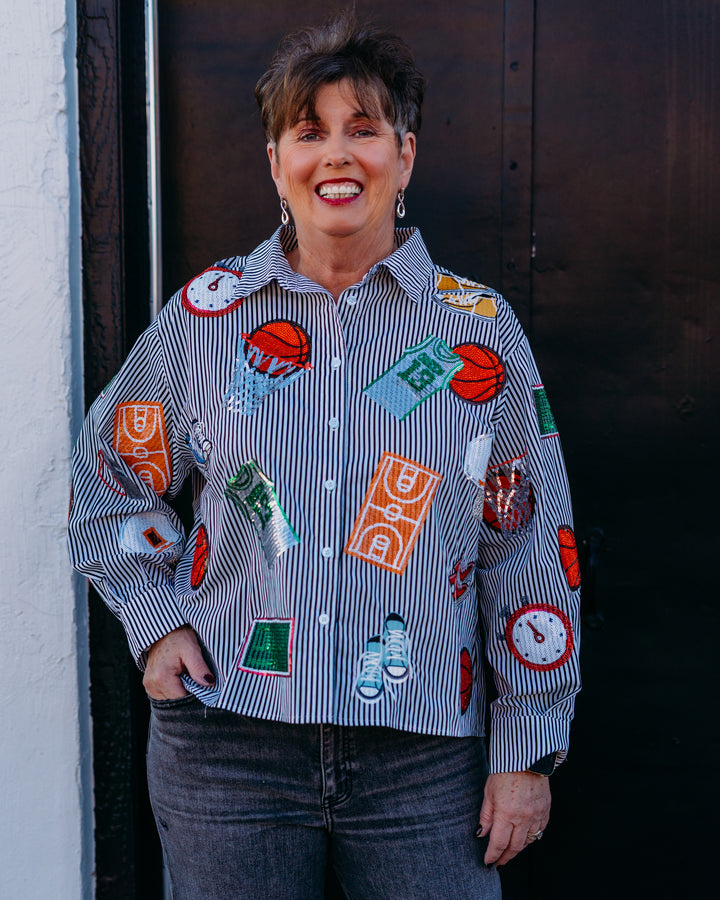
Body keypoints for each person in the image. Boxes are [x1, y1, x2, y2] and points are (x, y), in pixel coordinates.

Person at [68, 12, 581, 899]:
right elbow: (109, 477)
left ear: (405, 157)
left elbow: (529, 542)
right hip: (231, 740)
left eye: (363, 130)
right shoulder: (209, 316)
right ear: (277, 164)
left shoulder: (476, 331)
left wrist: (527, 746)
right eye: (309, 133)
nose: (336, 155)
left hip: (425, 756)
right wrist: (155, 625)